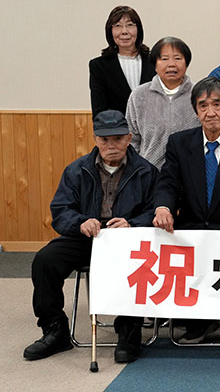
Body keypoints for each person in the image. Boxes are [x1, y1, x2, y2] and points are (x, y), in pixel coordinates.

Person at [24, 110, 158, 363]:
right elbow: (60, 210)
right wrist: (81, 222)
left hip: (127, 240)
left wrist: (132, 223)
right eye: (104, 140)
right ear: (95, 139)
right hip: (88, 237)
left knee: (140, 265)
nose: (111, 145)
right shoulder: (77, 170)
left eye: (118, 138)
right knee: (45, 260)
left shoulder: (146, 171)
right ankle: (55, 329)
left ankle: (129, 330)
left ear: (129, 138)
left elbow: (157, 210)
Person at [153, 77, 220, 345]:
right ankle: (199, 323)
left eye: (216, 104)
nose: (210, 112)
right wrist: (163, 207)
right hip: (192, 225)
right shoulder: (179, 143)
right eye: (203, 106)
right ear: (195, 110)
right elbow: (168, 182)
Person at [126, 36, 200, 169]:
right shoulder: (139, 95)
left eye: (177, 58)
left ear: (186, 63)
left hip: (190, 172)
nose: (171, 64)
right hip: (149, 172)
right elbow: (132, 139)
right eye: (164, 59)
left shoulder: (199, 94)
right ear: (155, 65)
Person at [89, 6, 155, 117]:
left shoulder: (154, 61)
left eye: (130, 25)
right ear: (110, 31)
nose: (124, 31)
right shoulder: (99, 66)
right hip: (116, 127)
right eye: (118, 26)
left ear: (138, 29)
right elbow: (99, 111)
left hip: (153, 126)